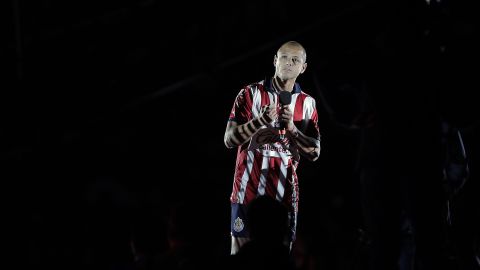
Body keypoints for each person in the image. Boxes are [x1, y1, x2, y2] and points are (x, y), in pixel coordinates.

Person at [224, 41, 321, 255]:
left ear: (303, 68)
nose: (288, 63)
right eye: (284, 57)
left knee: (279, 258)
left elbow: (315, 153)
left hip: (284, 193)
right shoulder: (249, 93)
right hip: (247, 191)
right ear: (275, 60)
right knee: (240, 258)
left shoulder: (308, 103)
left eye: (295, 60)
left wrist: (293, 130)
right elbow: (229, 140)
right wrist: (259, 121)